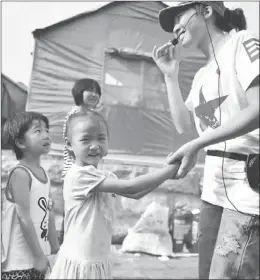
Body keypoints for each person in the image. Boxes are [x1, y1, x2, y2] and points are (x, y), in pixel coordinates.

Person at [153, 2, 259, 279]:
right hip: (212, 191)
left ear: (207, 11)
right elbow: (184, 127)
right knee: (206, 274)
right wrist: (170, 77)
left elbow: (258, 108)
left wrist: (199, 143)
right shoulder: (201, 75)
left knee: (228, 274)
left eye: (180, 16)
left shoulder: (241, 42)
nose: (175, 26)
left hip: (247, 185)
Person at [49, 110, 180, 279]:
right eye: (86, 139)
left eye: (101, 138)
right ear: (69, 145)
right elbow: (131, 188)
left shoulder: (105, 177)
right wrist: (170, 170)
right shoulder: (78, 176)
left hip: (97, 259)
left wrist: (167, 173)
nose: (95, 145)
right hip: (81, 264)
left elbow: (137, 193)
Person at [1, 112, 60, 280]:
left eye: (47, 130)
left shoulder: (44, 174)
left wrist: (55, 249)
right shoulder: (21, 174)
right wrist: (38, 256)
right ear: (20, 142)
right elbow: (23, 217)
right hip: (19, 263)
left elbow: (48, 213)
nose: (46, 135)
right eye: (38, 131)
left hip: (39, 257)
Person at [62, 78, 103, 178]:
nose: (94, 94)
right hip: (77, 169)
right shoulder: (76, 114)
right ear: (79, 92)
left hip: (85, 168)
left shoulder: (90, 115)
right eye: (90, 90)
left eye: (96, 92)